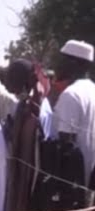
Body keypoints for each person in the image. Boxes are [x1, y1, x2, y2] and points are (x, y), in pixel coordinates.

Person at [54, 40, 95, 188]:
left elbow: (66, 146)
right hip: (90, 179)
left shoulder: (71, 94)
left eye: (62, 60)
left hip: (72, 182)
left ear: (73, 63)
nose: (58, 65)